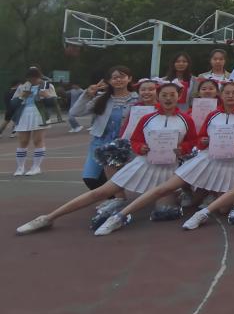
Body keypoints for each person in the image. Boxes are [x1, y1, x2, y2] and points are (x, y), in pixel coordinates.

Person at [17, 82, 197, 236]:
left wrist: (182, 148)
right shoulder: (147, 118)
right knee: (100, 192)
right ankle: (48, 218)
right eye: (164, 95)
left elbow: (192, 141)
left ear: (178, 96)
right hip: (143, 164)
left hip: (168, 169)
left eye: (172, 95)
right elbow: (135, 140)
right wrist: (140, 148)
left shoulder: (186, 120)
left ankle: (122, 216)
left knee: (164, 210)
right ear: (159, 96)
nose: (168, 98)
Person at [95, 81, 234, 235]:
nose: (230, 95)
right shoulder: (212, 115)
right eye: (227, 92)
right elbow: (200, 140)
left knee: (224, 209)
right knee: (163, 189)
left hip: (228, 164)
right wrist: (204, 142)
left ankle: (202, 206)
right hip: (204, 160)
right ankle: (119, 217)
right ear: (221, 95)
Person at [70, 66, 140, 189]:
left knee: (118, 178)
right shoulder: (101, 99)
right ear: (109, 81)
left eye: (122, 77)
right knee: (90, 178)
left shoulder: (137, 99)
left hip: (124, 145)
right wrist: (87, 95)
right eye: (114, 77)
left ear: (129, 79)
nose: (118, 80)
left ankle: (116, 197)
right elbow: (75, 112)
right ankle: (111, 197)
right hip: (100, 143)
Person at [11, 67, 57, 177]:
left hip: (40, 113)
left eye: (34, 78)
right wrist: (22, 96)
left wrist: (46, 96)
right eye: (30, 78)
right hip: (24, 114)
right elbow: (12, 103)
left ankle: (36, 167)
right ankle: (20, 167)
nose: (32, 80)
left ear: (39, 77)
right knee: (23, 141)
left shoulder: (47, 85)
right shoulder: (23, 87)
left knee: (37, 140)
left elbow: (55, 102)